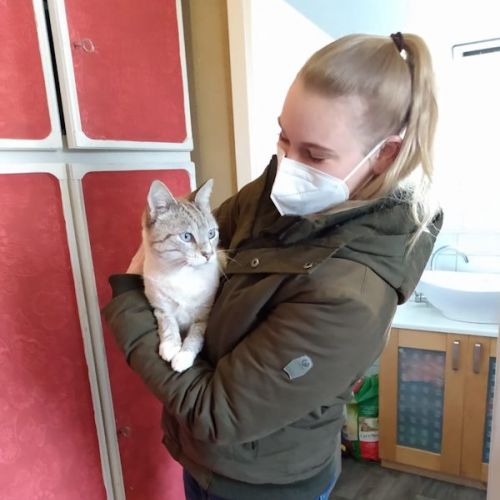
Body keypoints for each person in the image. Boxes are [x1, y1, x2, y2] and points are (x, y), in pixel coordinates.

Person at [103, 32, 443, 500]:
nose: (287, 164)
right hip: (203, 461)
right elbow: (200, 240)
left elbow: (216, 412)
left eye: (314, 154)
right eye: (284, 136)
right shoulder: (272, 194)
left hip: (262, 484)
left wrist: (128, 299)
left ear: (385, 154)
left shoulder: (350, 296)